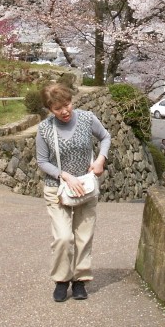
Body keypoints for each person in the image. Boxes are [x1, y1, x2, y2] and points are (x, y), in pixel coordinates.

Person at [35, 82, 111, 303]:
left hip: (86, 187)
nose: (65, 111)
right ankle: (61, 279)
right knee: (62, 237)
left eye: (67, 105)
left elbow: (105, 137)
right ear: (50, 110)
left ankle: (80, 280)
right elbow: (41, 161)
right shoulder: (44, 128)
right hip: (57, 189)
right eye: (58, 108)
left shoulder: (87, 118)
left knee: (83, 236)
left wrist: (100, 159)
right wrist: (64, 175)